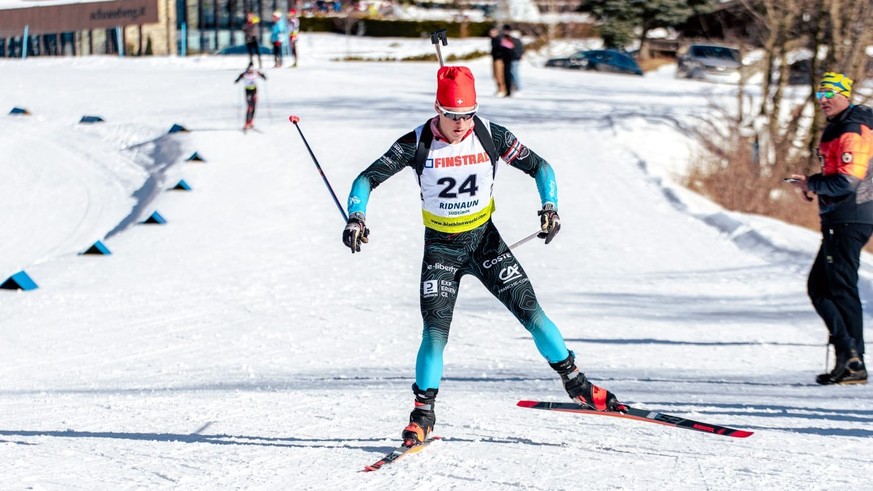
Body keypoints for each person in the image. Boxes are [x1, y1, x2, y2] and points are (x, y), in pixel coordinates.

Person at [342, 66, 626, 447]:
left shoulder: (492, 135)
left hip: (486, 243)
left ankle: (579, 386)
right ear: (436, 108)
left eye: (467, 115)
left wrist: (550, 206)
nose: (461, 124)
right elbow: (366, 178)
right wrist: (357, 216)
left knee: (533, 314)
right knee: (434, 335)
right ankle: (422, 416)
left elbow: (541, 167)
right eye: (452, 115)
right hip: (441, 248)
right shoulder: (416, 143)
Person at [788, 72, 873, 385]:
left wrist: (814, 182)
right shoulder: (841, 125)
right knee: (823, 287)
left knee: (839, 288)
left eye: (830, 94)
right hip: (842, 216)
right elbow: (837, 175)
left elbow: (849, 179)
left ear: (845, 94)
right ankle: (848, 359)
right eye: (820, 95)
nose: (823, 100)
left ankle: (853, 357)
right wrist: (812, 185)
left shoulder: (853, 127)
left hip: (851, 216)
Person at [233, 63, 267, 130]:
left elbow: (264, 77)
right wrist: (237, 79)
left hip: (254, 90)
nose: (250, 72)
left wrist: (263, 76)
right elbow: (238, 79)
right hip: (247, 91)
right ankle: (246, 123)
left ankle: (251, 121)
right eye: (249, 71)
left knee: (253, 106)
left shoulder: (256, 72)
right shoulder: (244, 74)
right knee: (249, 107)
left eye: (251, 70)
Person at [488, 27, 506, 96]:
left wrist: (499, 54)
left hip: (499, 59)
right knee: (495, 75)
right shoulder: (493, 39)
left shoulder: (500, 39)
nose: (492, 34)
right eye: (491, 33)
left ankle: (502, 89)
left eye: (494, 32)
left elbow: (503, 49)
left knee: (500, 75)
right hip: (494, 59)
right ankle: (499, 89)